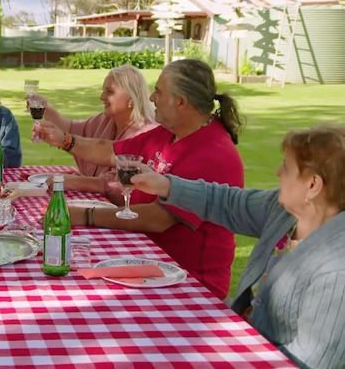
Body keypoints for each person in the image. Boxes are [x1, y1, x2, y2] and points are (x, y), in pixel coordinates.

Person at [129, 125, 345, 369]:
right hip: (237, 345)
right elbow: (228, 203)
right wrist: (165, 185)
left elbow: (308, 362)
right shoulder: (285, 212)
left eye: (286, 167)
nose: (277, 171)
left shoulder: (336, 271)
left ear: (313, 185)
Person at [35, 59, 244, 299]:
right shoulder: (169, 133)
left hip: (189, 284)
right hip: (149, 263)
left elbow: (157, 218)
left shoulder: (212, 153)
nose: (152, 97)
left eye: (159, 91)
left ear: (180, 102)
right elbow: (111, 151)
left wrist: (85, 214)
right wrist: (64, 140)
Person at [38, 65, 156, 193]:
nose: (101, 97)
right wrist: (45, 108)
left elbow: (118, 185)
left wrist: (70, 181)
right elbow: (71, 131)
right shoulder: (106, 120)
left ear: (131, 99)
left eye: (109, 92)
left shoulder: (146, 134)